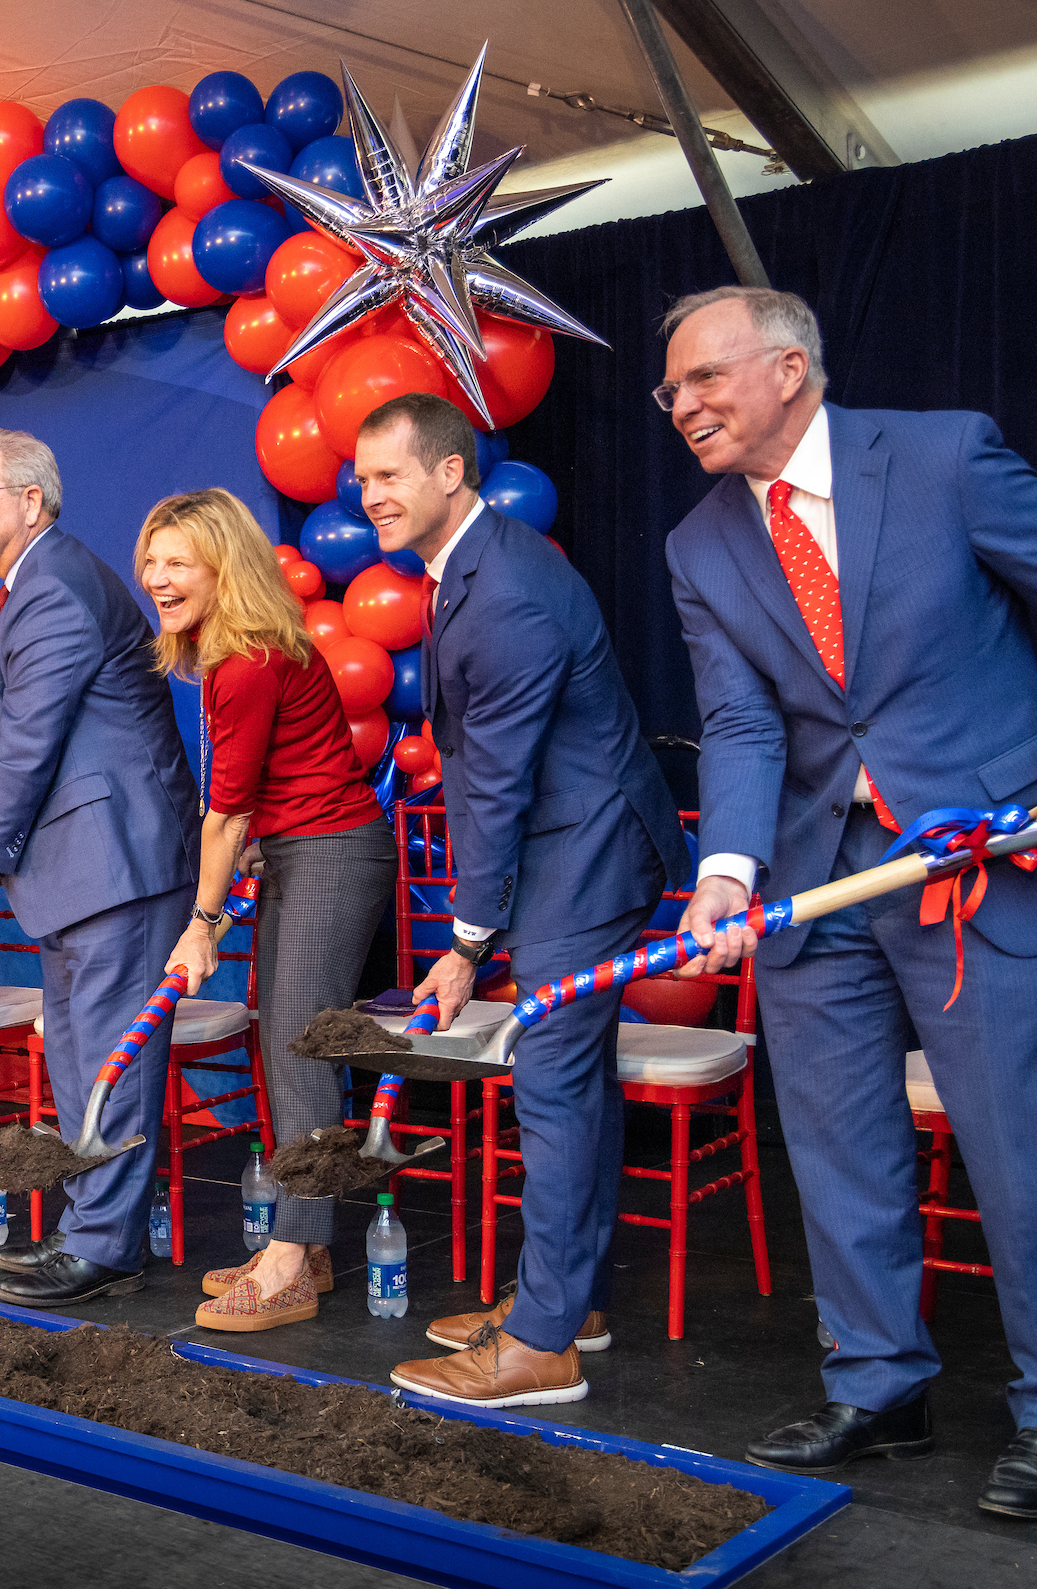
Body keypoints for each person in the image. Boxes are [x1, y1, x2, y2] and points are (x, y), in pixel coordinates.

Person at [660, 286, 1037, 1517]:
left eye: (705, 379)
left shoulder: (944, 455)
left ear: (788, 368)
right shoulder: (700, 543)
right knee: (837, 1151)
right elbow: (738, 719)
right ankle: (880, 1381)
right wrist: (726, 868)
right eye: (671, 391)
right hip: (815, 879)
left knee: (1022, 1152)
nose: (683, 406)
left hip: (985, 867)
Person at [353, 395, 690, 1407]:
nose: (371, 495)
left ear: (450, 474)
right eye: (362, 479)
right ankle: (567, 1299)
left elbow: (496, 776)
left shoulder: (501, 589)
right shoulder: (470, 566)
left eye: (390, 475)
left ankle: (542, 1343)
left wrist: (467, 939)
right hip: (566, 851)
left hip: (581, 857)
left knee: (551, 1086)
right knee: (569, 1084)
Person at [0, 430, 198, 1308]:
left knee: (106, 1063)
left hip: (115, 863)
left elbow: (25, 749)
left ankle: (103, 1244)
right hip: (87, 868)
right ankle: (95, 1228)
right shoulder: (38, 581)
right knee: (87, 1056)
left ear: (31, 502)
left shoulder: (53, 586)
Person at [135, 492, 390, 1332]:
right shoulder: (228, 653)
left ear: (224, 566)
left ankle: (293, 1260)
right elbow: (255, 805)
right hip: (301, 850)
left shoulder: (245, 662)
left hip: (332, 855)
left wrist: (200, 926)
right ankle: (302, 1243)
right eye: (153, 560)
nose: (158, 578)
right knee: (289, 1047)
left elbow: (226, 814)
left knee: (302, 1050)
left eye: (179, 561)